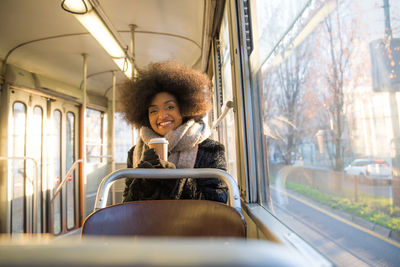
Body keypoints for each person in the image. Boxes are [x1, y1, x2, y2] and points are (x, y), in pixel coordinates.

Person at [119, 61, 228, 203]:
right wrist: (145, 183)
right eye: (154, 110)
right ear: (145, 116)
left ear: (185, 109)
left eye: (170, 107)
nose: (162, 116)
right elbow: (127, 205)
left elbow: (217, 202)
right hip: (148, 225)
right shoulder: (134, 153)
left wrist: (175, 179)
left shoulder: (211, 150)